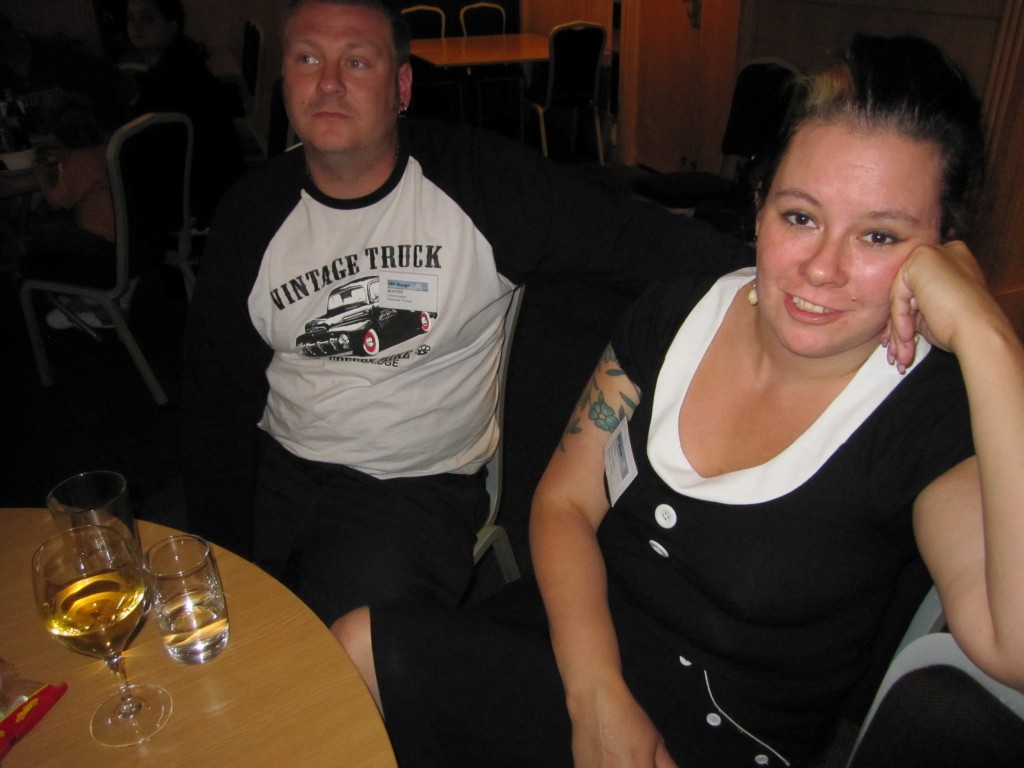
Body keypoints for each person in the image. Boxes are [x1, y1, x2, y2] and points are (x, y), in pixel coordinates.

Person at [339, 34, 1024, 767]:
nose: (822, 268)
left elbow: (1011, 646)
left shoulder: (929, 410)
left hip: (714, 736)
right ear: (759, 207)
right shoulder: (677, 313)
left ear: (941, 254)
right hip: (574, 642)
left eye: (879, 236)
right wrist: (595, 693)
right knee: (353, 651)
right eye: (800, 217)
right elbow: (565, 503)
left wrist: (988, 338)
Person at [180, 0, 751, 630]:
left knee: (341, 663)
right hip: (278, 462)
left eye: (357, 62)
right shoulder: (251, 214)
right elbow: (214, 398)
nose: (330, 83)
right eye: (308, 59)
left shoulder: (481, 183)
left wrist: (781, 276)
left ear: (401, 87)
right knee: (218, 635)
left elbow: (635, 240)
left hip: (411, 486)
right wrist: (217, 553)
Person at [121, 0, 244, 227]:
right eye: (130, 18)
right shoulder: (180, 59)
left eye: (148, 19)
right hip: (205, 186)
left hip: (197, 195)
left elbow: (155, 152)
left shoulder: (176, 77)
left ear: (172, 25)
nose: (136, 27)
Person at [18, 92, 118, 329]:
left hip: (98, 237)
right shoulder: (105, 147)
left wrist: (41, 176)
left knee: (37, 237)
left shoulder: (79, 161)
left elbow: (58, 201)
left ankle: (82, 294)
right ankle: (86, 296)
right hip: (119, 231)